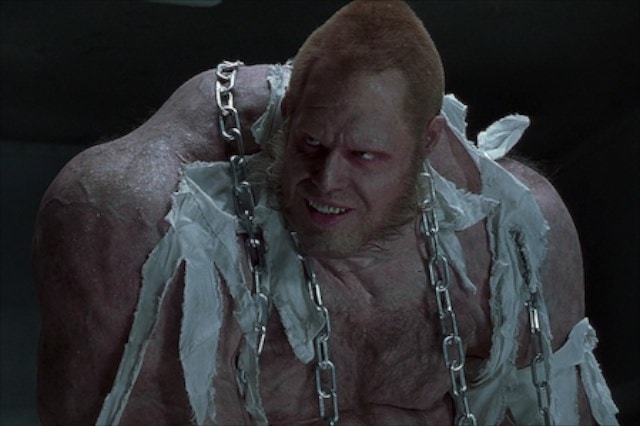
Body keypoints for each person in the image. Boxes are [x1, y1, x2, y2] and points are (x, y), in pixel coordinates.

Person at [32, 1, 619, 425]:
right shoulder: (131, 219)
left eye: (364, 156)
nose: (327, 180)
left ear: (427, 143)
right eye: (311, 144)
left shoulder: (513, 235)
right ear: (288, 117)